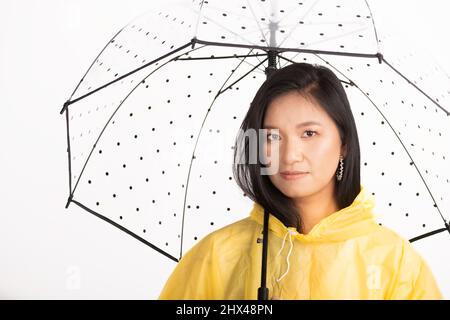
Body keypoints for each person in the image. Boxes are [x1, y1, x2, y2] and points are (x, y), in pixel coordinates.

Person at [158, 62, 442, 300]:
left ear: (343, 142)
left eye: (309, 134)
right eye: (272, 136)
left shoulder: (394, 262)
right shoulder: (217, 256)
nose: (290, 155)